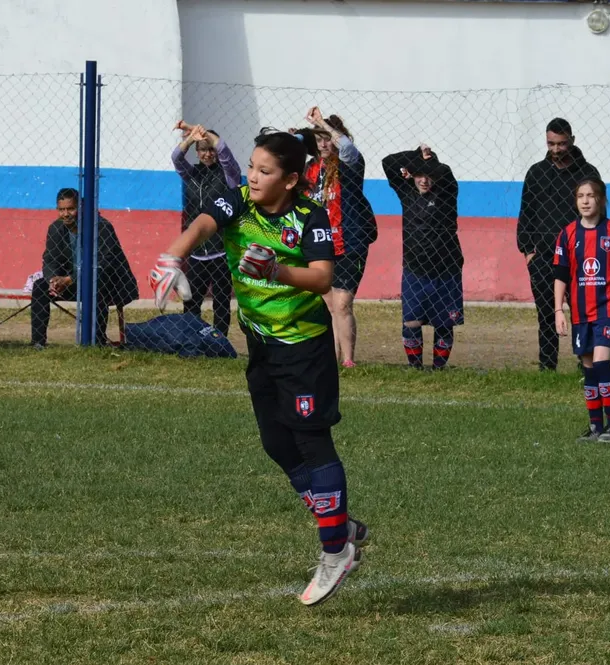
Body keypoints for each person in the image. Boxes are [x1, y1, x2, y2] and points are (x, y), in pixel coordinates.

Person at [149, 128, 369, 606]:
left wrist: (276, 271)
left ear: (291, 180)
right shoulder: (241, 200)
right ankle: (341, 525)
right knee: (275, 442)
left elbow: (322, 278)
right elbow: (205, 222)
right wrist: (174, 256)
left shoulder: (311, 217)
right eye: (250, 166)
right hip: (261, 346)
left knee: (312, 441)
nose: (252, 176)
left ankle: (335, 550)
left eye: (264, 171)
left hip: (304, 349)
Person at [553, 178, 610, 443]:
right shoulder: (568, 234)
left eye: (591, 195)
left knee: (603, 363)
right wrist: (559, 310)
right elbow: (560, 275)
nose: (585, 201)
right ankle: (596, 427)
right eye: (580, 196)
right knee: (589, 368)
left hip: (609, 307)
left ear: (601, 199)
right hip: (581, 311)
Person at [517, 118, 601, 372]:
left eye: (561, 144)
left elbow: (598, 215)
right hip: (543, 258)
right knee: (546, 315)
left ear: (572, 141)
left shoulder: (588, 174)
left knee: (582, 314)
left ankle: (585, 365)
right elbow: (526, 213)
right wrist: (528, 251)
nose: (555, 149)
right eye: (551, 144)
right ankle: (547, 366)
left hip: (579, 258)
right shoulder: (536, 172)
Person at [299, 107, 377, 368]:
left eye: (326, 137)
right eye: (318, 138)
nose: (323, 142)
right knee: (331, 306)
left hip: (349, 242)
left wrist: (322, 123)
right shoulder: (310, 169)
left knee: (343, 303)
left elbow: (347, 148)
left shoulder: (348, 164)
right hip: (321, 244)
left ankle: (349, 359)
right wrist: (296, 140)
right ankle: (332, 359)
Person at [382, 144, 464, 370]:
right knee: (411, 321)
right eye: (420, 175)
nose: (424, 180)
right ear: (411, 174)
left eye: (430, 175)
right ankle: (415, 366)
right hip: (415, 269)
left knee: (444, 322)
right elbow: (388, 162)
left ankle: (439, 368)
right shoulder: (406, 192)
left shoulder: (447, 192)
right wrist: (415, 154)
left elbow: (445, 173)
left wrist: (430, 162)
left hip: (447, 268)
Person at [30, 188, 138, 349]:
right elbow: (49, 259)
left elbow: (105, 264)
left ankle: (96, 341)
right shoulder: (56, 229)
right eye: (61, 210)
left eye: (70, 209)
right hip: (72, 283)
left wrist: (69, 279)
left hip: (109, 285)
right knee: (40, 286)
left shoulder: (101, 227)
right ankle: (38, 342)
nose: (66, 214)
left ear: (80, 208)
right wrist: (53, 279)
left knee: (96, 281)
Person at [171, 121, 241, 335]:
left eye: (210, 149)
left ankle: (220, 340)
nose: (208, 154)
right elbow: (176, 157)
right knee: (191, 301)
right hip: (197, 252)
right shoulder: (191, 174)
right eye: (202, 150)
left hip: (221, 250)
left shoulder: (228, 174)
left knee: (221, 301)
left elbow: (226, 154)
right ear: (197, 153)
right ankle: (192, 338)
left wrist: (208, 136)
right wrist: (192, 137)